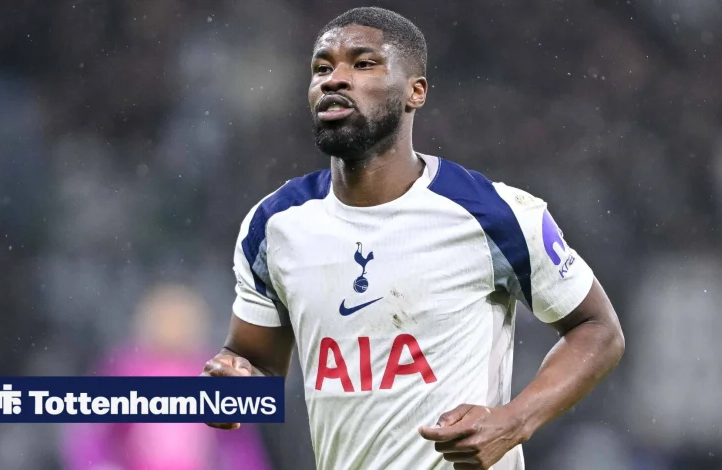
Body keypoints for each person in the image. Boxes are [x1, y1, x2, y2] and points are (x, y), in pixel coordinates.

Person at [202, 6, 625, 470]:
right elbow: (255, 366)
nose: (334, 79)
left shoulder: (494, 213)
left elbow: (598, 330)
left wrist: (514, 421)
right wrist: (230, 390)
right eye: (322, 68)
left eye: (363, 63)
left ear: (415, 91)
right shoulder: (274, 224)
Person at [62, 284, 271, 470]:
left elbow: (240, 445)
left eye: (181, 322)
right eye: (166, 321)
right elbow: (92, 435)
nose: (173, 330)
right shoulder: (127, 371)